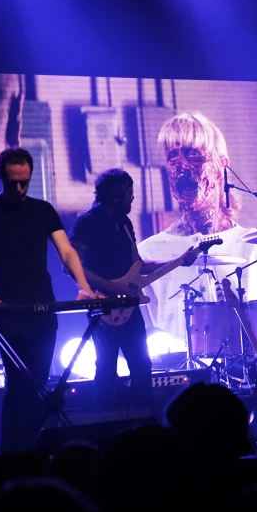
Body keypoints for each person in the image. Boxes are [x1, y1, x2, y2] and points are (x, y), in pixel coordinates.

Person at [0, 147, 96, 454]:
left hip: (43, 308)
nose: (20, 188)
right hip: (8, 311)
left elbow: (66, 251)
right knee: (21, 383)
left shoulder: (42, 210)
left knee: (38, 383)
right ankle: (12, 455)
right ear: (0, 176)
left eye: (25, 181)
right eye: (14, 182)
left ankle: (34, 452)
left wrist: (84, 286)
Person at [68, 168, 201, 408]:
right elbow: (71, 266)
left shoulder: (126, 223)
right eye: (129, 193)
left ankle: (143, 421)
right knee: (106, 368)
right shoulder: (89, 222)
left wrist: (180, 259)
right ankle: (106, 424)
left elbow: (138, 265)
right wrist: (109, 285)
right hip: (102, 305)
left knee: (142, 365)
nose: (132, 198)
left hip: (128, 307)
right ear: (115, 196)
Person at [137, 112, 257, 348]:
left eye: (193, 155)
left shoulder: (256, 246)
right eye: (172, 157)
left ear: (221, 166)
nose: (181, 166)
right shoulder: (147, 253)